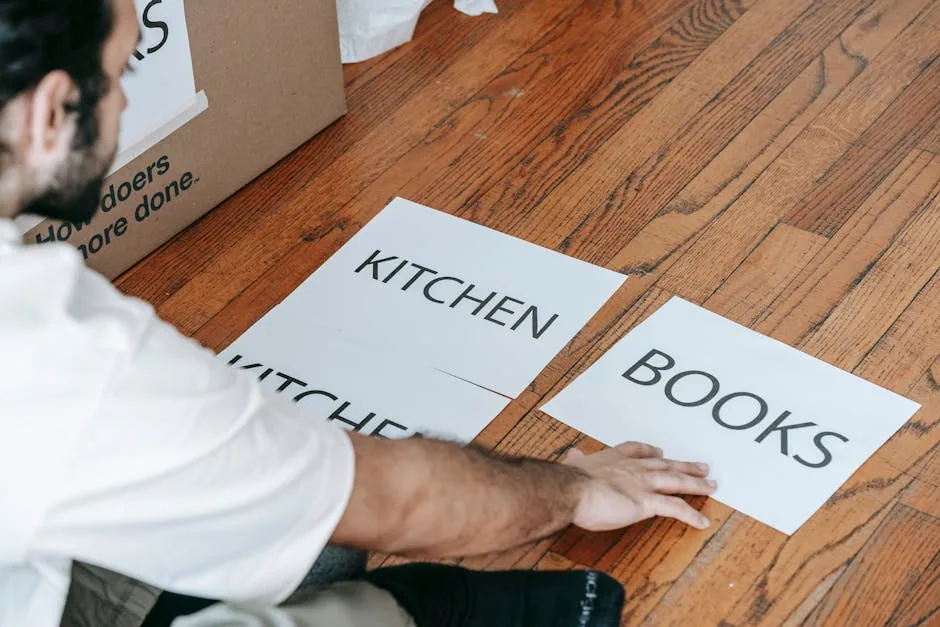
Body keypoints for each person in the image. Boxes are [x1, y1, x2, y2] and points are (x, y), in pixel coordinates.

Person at [0, 1, 717, 626]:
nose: (124, 106)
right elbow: (394, 501)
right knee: (331, 537)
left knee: (304, 533)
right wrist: (576, 489)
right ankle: (420, 608)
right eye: (122, 75)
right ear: (48, 110)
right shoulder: (62, 356)